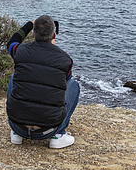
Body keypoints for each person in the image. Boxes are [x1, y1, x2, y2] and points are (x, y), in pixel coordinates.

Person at [6, 15, 80, 149]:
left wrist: (29, 24)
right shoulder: (65, 59)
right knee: (73, 84)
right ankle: (59, 135)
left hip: (18, 124)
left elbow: (12, 41)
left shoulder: (19, 51)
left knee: (14, 77)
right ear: (54, 35)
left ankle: (16, 133)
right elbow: (65, 81)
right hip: (48, 130)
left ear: (33, 33)